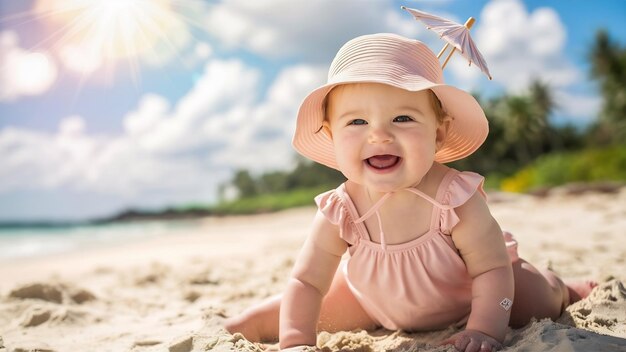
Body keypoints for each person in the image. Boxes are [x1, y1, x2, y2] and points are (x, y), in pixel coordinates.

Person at [224, 33, 597, 352]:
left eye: (402, 118)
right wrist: (296, 340)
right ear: (333, 136)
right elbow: (306, 281)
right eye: (357, 121)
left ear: (437, 133)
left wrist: (483, 329)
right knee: (300, 309)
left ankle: (567, 287)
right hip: (373, 301)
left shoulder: (454, 197)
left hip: (473, 298)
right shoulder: (341, 209)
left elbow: (492, 269)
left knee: (537, 298)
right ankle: (243, 324)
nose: (379, 134)